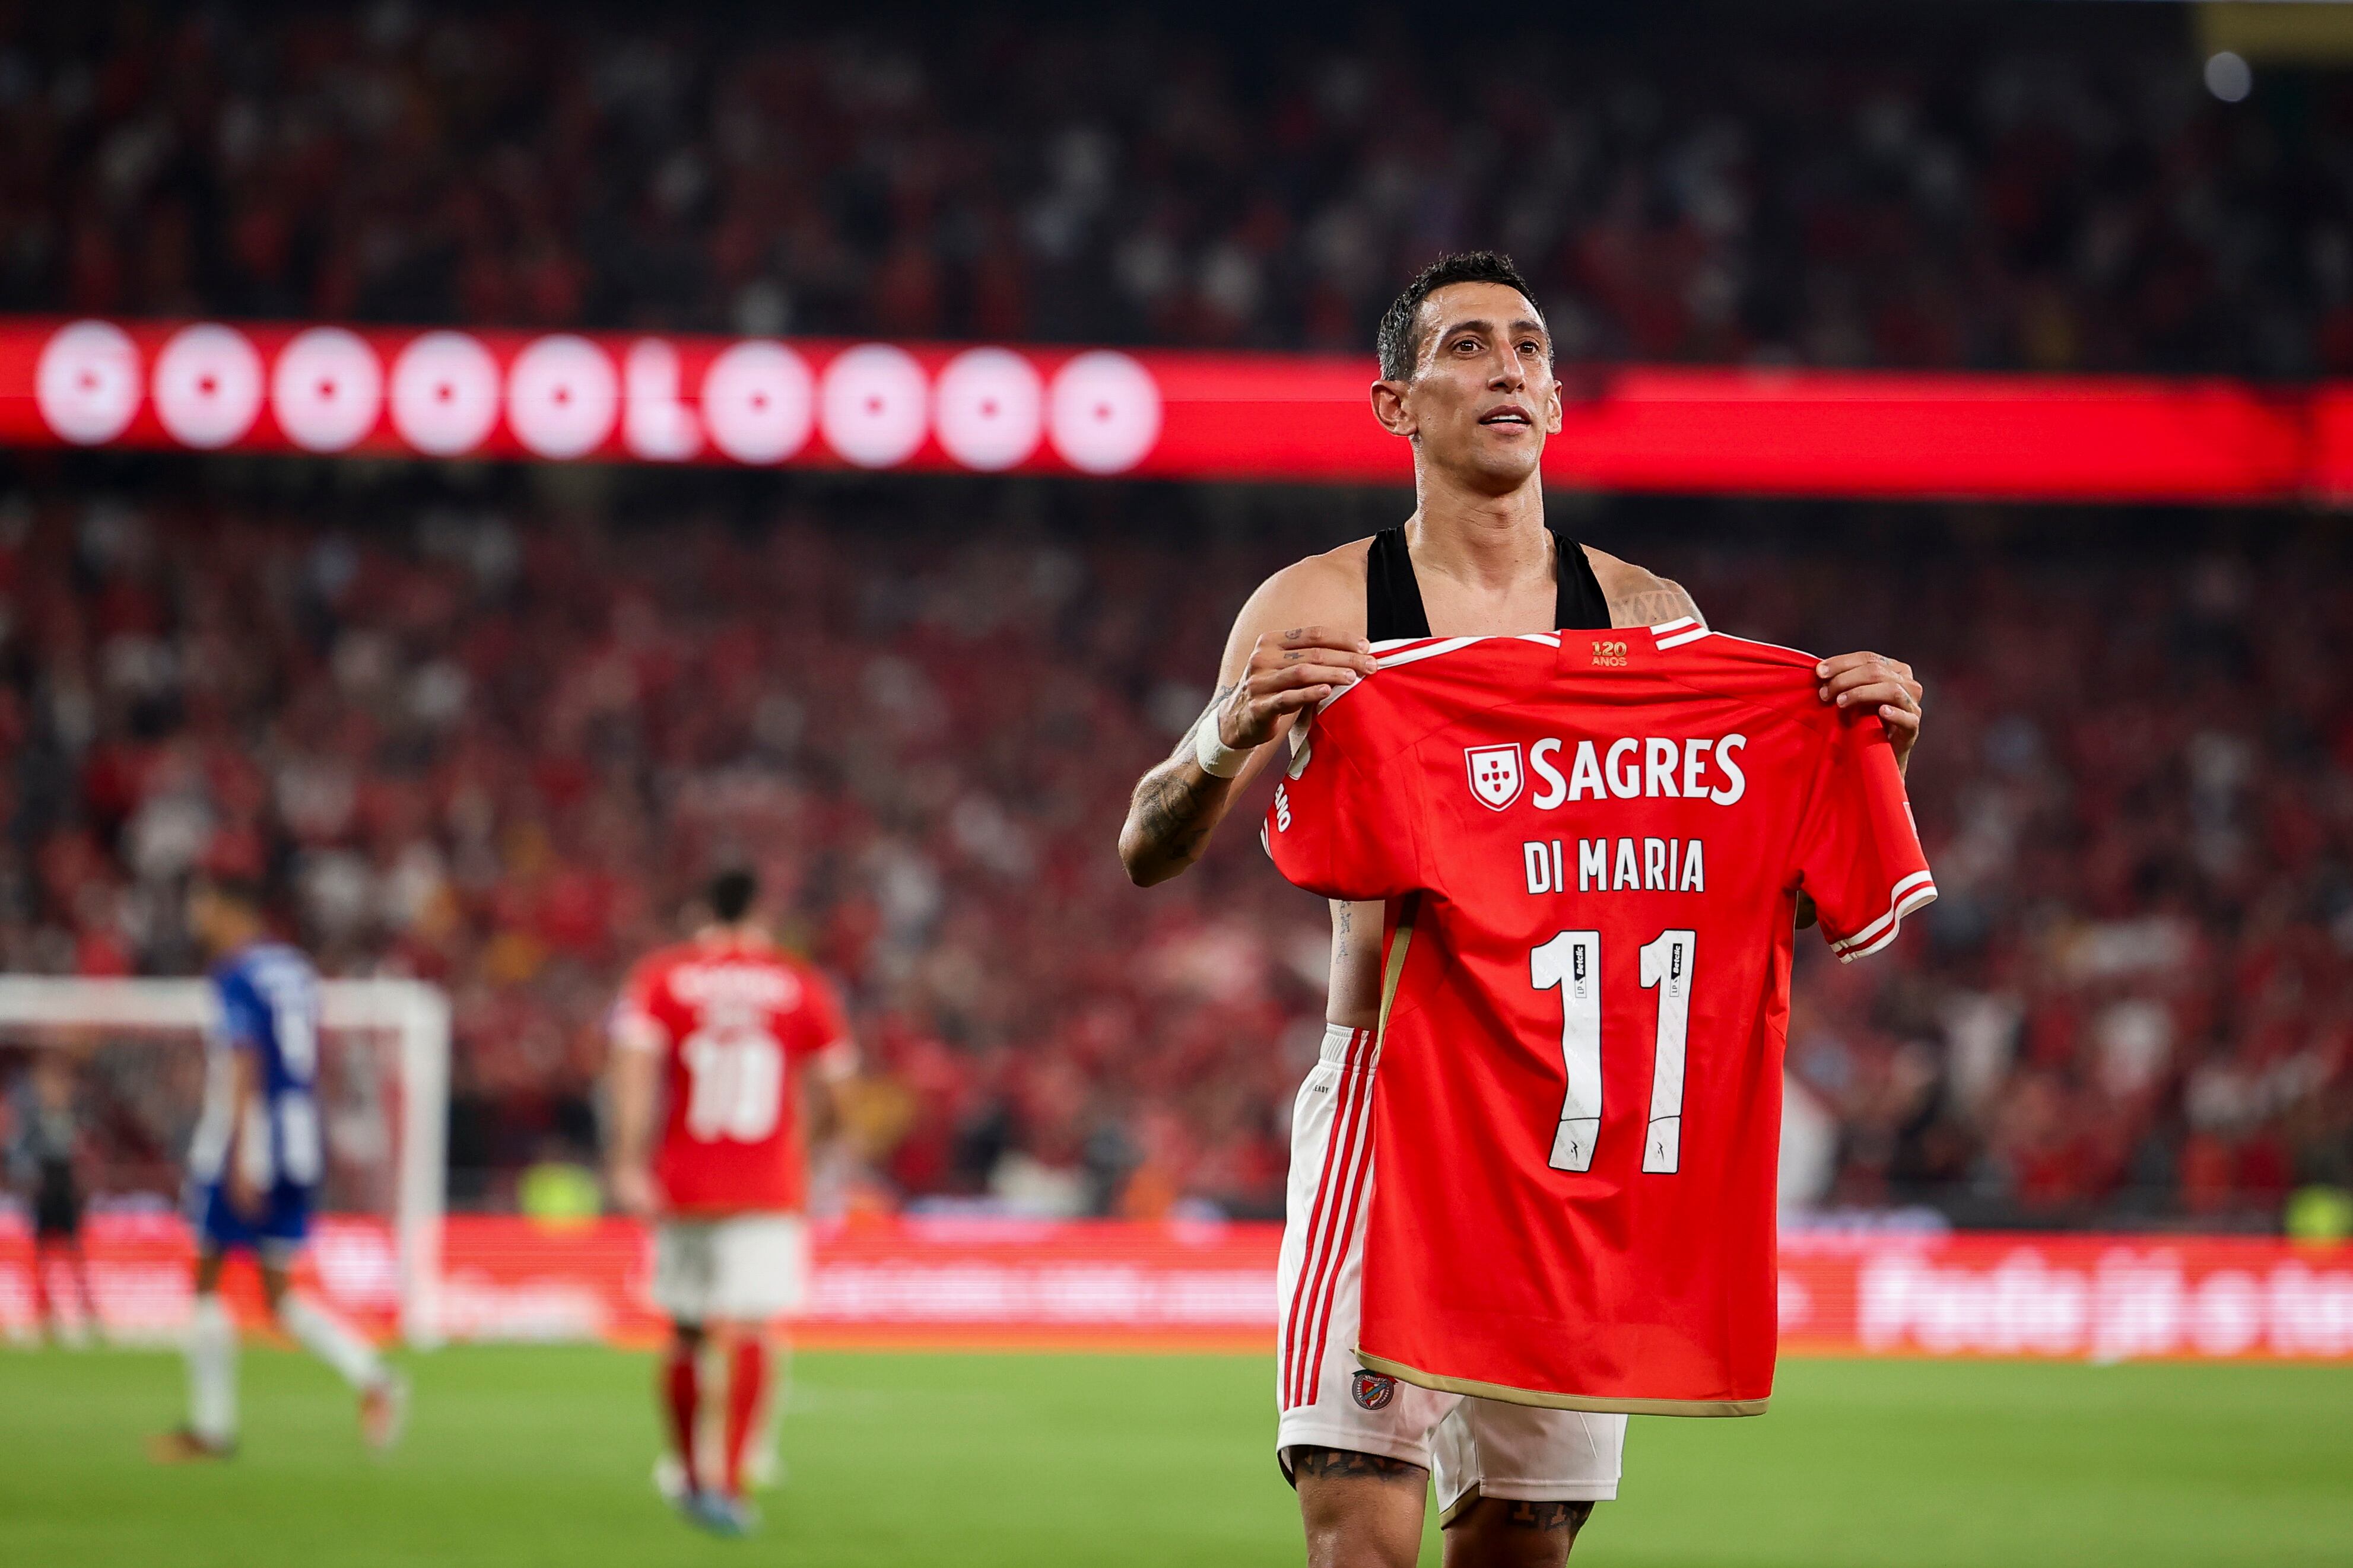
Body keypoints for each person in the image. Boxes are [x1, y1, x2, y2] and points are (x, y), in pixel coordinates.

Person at [1117, 252, 1926, 1568]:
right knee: (1355, 1537)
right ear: (1395, 404)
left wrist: (1874, 748)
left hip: (1574, 1121)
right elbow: (1147, 847)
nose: (1506, 367)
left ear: (1553, 403)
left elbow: (1726, 897)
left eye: (1530, 348)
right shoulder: (1321, 605)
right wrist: (1219, 735)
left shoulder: (1652, 621)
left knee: (1520, 1547)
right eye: (1467, 346)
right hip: (1395, 1101)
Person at [606, 867, 855, 1538]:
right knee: (752, 1328)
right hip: (766, 1184)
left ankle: (690, 1476)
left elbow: (632, 1073)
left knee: (685, 1330)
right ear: (762, 911)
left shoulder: (662, 977)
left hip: (683, 1179)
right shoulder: (801, 985)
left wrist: (630, 1163)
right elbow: (837, 1093)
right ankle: (731, 1484)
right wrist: (810, 1147)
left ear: (701, 910)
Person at [151, 875, 408, 1461]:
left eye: (203, 904)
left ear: (226, 909)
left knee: (208, 1275)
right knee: (277, 1294)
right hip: (299, 1141)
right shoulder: (294, 968)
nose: (198, 917)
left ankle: (211, 1428)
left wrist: (241, 1151)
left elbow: (246, 1059)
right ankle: (374, 1376)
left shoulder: (235, 974)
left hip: (251, 1140)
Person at [9, 1052, 101, 1343]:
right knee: (41, 1256)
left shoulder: (73, 1115)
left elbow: (83, 1152)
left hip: (66, 1192)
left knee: (76, 1255)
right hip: (44, 1192)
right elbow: (20, 1153)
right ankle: (43, 1314)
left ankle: (87, 1314)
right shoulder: (34, 1121)